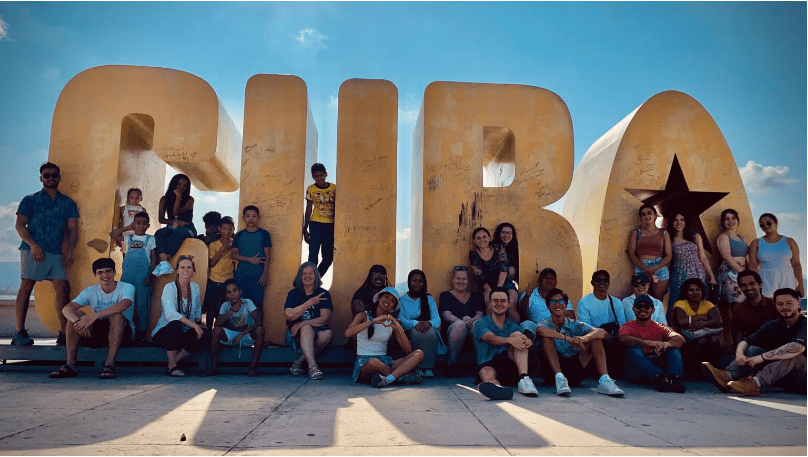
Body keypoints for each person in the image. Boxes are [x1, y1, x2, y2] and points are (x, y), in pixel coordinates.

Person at [14, 162, 79, 346]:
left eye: (54, 175)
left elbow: (73, 228)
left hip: (55, 252)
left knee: (63, 287)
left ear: (59, 177)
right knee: (26, 286)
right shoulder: (30, 200)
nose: (51, 178)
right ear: (41, 178)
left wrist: (71, 250)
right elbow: (20, 225)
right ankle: (19, 332)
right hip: (32, 250)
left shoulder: (67, 203)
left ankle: (64, 332)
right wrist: (33, 245)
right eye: (47, 175)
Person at [702, 288, 806, 397]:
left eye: (789, 303)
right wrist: (739, 355)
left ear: (798, 304)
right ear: (776, 306)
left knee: (793, 355)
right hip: (784, 378)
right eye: (780, 304)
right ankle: (727, 377)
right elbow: (745, 342)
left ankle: (755, 383)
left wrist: (762, 357)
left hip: (804, 380)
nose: (784, 307)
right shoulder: (774, 324)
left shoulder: (805, 324)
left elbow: (797, 347)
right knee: (753, 349)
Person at [48, 258, 134, 380]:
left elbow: (124, 304)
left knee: (116, 315)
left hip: (123, 332)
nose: (105, 275)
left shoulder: (126, 287)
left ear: (114, 273)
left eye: (108, 271)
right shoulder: (91, 291)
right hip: (96, 332)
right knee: (75, 315)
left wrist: (94, 316)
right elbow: (66, 309)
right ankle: (70, 365)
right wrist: (77, 322)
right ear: (95, 274)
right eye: (100, 272)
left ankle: (109, 364)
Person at [537, 288, 625, 397]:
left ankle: (605, 380)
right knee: (547, 338)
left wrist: (584, 338)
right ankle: (560, 378)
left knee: (595, 338)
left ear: (565, 305)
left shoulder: (575, 324)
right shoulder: (544, 323)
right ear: (548, 305)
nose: (557, 304)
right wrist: (567, 338)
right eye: (553, 301)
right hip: (552, 373)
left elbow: (601, 332)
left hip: (575, 371)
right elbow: (541, 330)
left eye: (561, 301)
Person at [345, 287, 424, 387]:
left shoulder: (392, 321)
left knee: (419, 354)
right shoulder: (363, 316)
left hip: (385, 361)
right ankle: (401, 376)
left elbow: (408, 351)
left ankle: (388, 379)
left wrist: (398, 328)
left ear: (394, 306)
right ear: (378, 298)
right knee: (374, 362)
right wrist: (372, 321)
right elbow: (348, 333)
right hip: (365, 363)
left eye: (392, 301)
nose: (388, 302)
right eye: (386, 297)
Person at [473, 287, 538, 400]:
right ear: (489, 303)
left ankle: (524, 378)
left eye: (503, 301)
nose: (499, 304)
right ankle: (497, 388)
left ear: (508, 303)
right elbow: (490, 338)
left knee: (517, 335)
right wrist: (509, 340)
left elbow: (520, 340)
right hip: (487, 364)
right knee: (486, 372)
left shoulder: (514, 326)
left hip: (509, 364)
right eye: (495, 301)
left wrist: (526, 341)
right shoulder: (480, 323)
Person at [151, 256, 210, 377]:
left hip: (185, 331)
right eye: (182, 267)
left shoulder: (195, 287)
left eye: (189, 267)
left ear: (193, 271)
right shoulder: (169, 287)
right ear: (177, 270)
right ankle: (172, 367)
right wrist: (193, 325)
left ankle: (174, 360)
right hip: (165, 332)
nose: (186, 270)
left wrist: (198, 323)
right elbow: (170, 314)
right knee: (175, 324)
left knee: (206, 333)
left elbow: (198, 308)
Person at [619, 294, 686, 392]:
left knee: (674, 347)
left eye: (646, 307)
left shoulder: (661, 326)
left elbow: (680, 339)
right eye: (639, 306)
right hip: (638, 371)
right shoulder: (627, 326)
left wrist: (666, 344)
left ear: (653, 310)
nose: (643, 309)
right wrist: (645, 342)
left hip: (660, 368)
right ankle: (657, 375)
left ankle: (676, 379)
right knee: (633, 348)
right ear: (633, 309)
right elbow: (623, 338)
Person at [109, 211, 156, 342]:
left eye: (144, 224)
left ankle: (141, 333)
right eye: (138, 223)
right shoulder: (128, 238)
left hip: (142, 276)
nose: (141, 226)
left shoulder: (151, 239)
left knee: (141, 305)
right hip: (127, 276)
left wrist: (150, 275)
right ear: (134, 224)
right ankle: (126, 331)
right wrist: (128, 227)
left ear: (148, 225)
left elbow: (153, 258)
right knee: (126, 304)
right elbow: (113, 234)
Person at [206, 278, 264, 377]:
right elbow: (217, 325)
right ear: (226, 296)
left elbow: (259, 322)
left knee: (260, 330)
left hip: (246, 335)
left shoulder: (248, 302)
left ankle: (253, 367)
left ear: (240, 291)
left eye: (235, 290)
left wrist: (241, 334)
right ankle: (213, 367)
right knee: (216, 331)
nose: (232, 294)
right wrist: (232, 310)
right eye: (228, 292)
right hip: (231, 336)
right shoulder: (225, 305)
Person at [285, 262, 333, 380]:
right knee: (306, 328)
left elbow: (324, 319)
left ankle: (299, 361)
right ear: (299, 277)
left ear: (316, 276)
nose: (307, 276)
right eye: (304, 273)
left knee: (327, 334)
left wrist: (302, 322)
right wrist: (309, 303)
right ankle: (312, 367)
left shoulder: (323, 293)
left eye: (311, 273)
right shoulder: (294, 293)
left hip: (316, 331)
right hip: (294, 335)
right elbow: (289, 315)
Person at [577, 270, 626, 377]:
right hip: (595, 337)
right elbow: (585, 327)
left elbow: (622, 324)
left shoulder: (616, 302)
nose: (602, 283)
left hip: (613, 339)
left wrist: (615, 336)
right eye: (598, 280)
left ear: (609, 283)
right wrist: (603, 334)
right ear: (592, 282)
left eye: (605, 280)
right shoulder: (584, 302)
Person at [397, 269, 445, 378]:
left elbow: (437, 320)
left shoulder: (428, 298)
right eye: (414, 280)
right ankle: (416, 366)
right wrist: (415, 323)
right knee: (416, 333)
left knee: (431, 332)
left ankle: (428, 367)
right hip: (410, 329)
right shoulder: (402, 299)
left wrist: (429, 323)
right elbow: (401, 320)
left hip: (428, 327)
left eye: (420, 281)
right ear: (409, 282)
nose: (417, 283)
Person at [439, 266, 485, 376]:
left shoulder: (475, 296)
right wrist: (463, 320)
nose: (461, 281)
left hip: (472, 332)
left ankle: (481, 365)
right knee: (459, 325)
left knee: (477, 325)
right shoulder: (445, 295)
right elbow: (446, 314)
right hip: (453, 333)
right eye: (458, 278)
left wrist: (472, 320)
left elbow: (480, 313)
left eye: (464, 279)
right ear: (452, 280)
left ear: (468, 281)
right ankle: (452, 363)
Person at [671, 278, 722, 376]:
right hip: (686, 337)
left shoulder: (707, 304)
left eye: (698, 289)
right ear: (686, 292)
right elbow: (681, 321)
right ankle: (693, 371)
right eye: (691, 290)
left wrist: (701, 324)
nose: (695, 292)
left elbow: (717, 321)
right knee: (701, 341)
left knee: (714, 339)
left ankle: (714, 371)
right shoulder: (680, 303)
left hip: (706, 335)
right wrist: (700, 317)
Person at [666, 211, 716, 309]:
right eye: (675, 220)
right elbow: (668, 259)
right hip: (679, 274)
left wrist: (712, 277)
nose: (679, 223)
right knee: (678, 302)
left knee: (699, 301)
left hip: (697, 273)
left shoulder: (695, 236)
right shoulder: (669, 239)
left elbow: (703, 257)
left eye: (682, 220)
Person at [748, 213, 805, 298]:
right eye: (762, 225)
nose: (766, 226)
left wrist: (801, 285)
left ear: (776, 223)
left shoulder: (789, 241)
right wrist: (751, 285)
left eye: (769, 223)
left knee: (787, 305)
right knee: (768, 307)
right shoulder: (756, 243)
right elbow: (752, 266)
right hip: (765, 279)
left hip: (787, 278)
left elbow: (796, 264)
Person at [469, 227, 518, 322]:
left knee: (511, 303)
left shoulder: (499, 247)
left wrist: (498, 290)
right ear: (474, 241)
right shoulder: (473, 253)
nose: (482, 240)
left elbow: (503, 269)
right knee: (490, 304)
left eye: (484, 237)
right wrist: (490, 291)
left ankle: (516, 331)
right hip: (486, 286)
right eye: (478, 238)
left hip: (504, 283)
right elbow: (479, 275)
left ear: (489, 238)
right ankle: (491, 333)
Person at [152, 174, 196, 276]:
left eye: (184, 186)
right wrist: (173, 223)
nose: (182, 187)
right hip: (172, 226)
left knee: (179, 233)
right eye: (179, 184)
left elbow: (176, 212)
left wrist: (178, 197)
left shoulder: (190, 200)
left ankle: (166, 260)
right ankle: (164, 263)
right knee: (159, 233)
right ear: (173, 184)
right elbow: (161, 219)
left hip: (187, 228)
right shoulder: (164, 199)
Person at [231, 205, 271, 312]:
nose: (251, 219)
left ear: (258, 218)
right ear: (243, 218)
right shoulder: (239, 235)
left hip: (258, 277)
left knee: (257, 306)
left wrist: (265, 275)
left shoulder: (264, 234)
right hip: (241, 276)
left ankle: (258, 329)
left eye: (254, 216)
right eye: (248, 216)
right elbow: (233, 255)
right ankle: (241, 329)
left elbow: (268, 256)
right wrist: (250, 259)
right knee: (241, 305)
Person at [628, 204, 672, 300]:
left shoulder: (663, 233)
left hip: (659, 267)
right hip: (641, 267)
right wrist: (645, 269)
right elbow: (631, 253)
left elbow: (668, 255)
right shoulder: (637, 232)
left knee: (657, 300)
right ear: (641, 218)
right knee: (639, 299)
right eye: (643, 214)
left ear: (655, 215)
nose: (647, 216)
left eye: (649, 213)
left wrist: (653, 268)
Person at [519, 267, 575, 339]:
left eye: (552, 278)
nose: (549, 280)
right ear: (539, 280)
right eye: (546, 278)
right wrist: (527, 297)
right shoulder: (530, 294)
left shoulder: (561, 296)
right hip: (536, 329)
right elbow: (521, 313)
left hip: (557, 329)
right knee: (526, 324)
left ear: (556, 282)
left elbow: (571, 317)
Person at [302, 163, 336, 276]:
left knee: (328, 257)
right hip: (315, 224)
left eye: (321, 175)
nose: (319, 178)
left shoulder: (334, 188)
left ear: (326, 174)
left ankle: (316, 279)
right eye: (316, 176)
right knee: (312, 257)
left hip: (330, 226)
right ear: (313, 177)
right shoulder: (311, 189)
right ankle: (310, 279)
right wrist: (305, 229)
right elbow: (308, 210)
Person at [203, 216, 235, 329]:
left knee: (225, 309)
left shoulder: (235, 245)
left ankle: (221, 334)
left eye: (230, 229)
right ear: (219, 229)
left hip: (227, 282)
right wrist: (222, 250)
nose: (227, 232)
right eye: (224, 229)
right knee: (211, 309)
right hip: (214, 280)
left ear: (233, 230)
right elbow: (211, 263)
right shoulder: (213, 245)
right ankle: (208, 333)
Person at [731, 270, 778, 344]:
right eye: (744, 285)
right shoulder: (738, 309)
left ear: (760, 284)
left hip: (776, 347)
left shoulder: (774, 304)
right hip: (753, 347)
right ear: (740, 287)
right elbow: (737, 335)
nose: (748, 288)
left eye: (752, 283)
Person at [715, 208, 749, 305]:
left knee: (744, 303)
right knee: (735, 303)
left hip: (742, 272)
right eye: (727, 219)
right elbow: (726, 256)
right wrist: (741, 272)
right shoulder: (723, 236)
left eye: (733, 218)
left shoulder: (741, 237)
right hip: (730, 274)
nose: (730, 221)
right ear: (723, 222)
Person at [114, 188, 146, 252]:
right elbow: (121, 223)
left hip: (137, 236)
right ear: (128, 198)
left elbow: (144, 223)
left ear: (141, 198)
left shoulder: (142, 210)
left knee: (135, 253)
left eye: (137, 198)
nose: (134, 200)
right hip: (125, 235)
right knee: (125, 253)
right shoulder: (123, 209)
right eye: (132, 198)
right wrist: (119, 238)